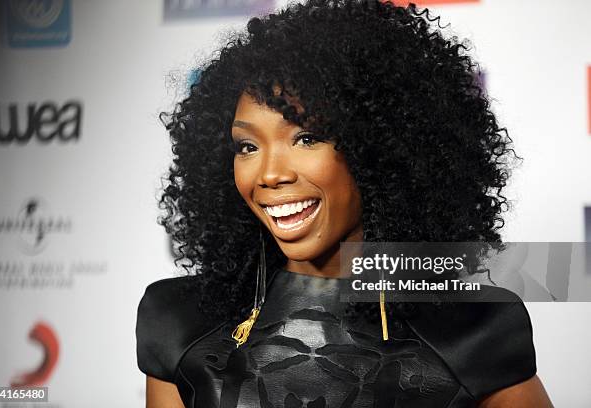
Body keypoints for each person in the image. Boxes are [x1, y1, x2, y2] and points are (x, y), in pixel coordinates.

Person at [136, 0, 553, 406]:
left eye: (307, 138)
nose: (268, 174)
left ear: (377, 149)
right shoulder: (180, 321)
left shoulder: (472, 333)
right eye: (246, 146)